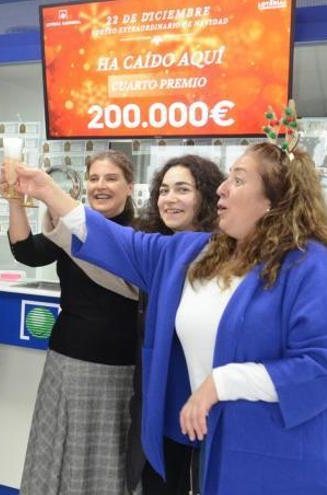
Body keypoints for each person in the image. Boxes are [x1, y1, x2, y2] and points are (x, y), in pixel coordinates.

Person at [16, 142, 327, 494]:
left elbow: (324, 364)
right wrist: (46, 191)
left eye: (239, 179)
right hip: (224, 448)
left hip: (293, 459)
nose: (222, 188)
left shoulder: (315, 266)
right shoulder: (195, 252)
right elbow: (116, 241)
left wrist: (222, 383)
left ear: (273, 200)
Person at [2, 150, 140, 494]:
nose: (100, 186)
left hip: (121, 369)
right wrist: (15, 201)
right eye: (94, 178)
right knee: (56, 455)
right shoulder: (73, 228)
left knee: (107, 461)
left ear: (130, 186)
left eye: (111, 179)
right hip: (67, 361)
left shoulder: (143, 234)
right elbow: (27, 251)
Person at [128, 155, 225, 494]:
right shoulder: (154, 247)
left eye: (182, 189)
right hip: (162, 395)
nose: (169, 198)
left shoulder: (229, 253)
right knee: (159, 480)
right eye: (164, 189)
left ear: (208, 196)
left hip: (205, 396)